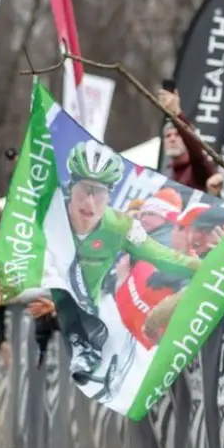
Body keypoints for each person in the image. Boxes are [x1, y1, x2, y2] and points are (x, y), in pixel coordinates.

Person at [58, 139, 200, 382]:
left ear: (110, 194)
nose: (90, 202)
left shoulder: (121, 226)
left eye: (100, 192)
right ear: (71, 187)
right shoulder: (51, 215)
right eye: (85, 190)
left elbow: (162, 255)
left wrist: (204, 268)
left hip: (87, 323)